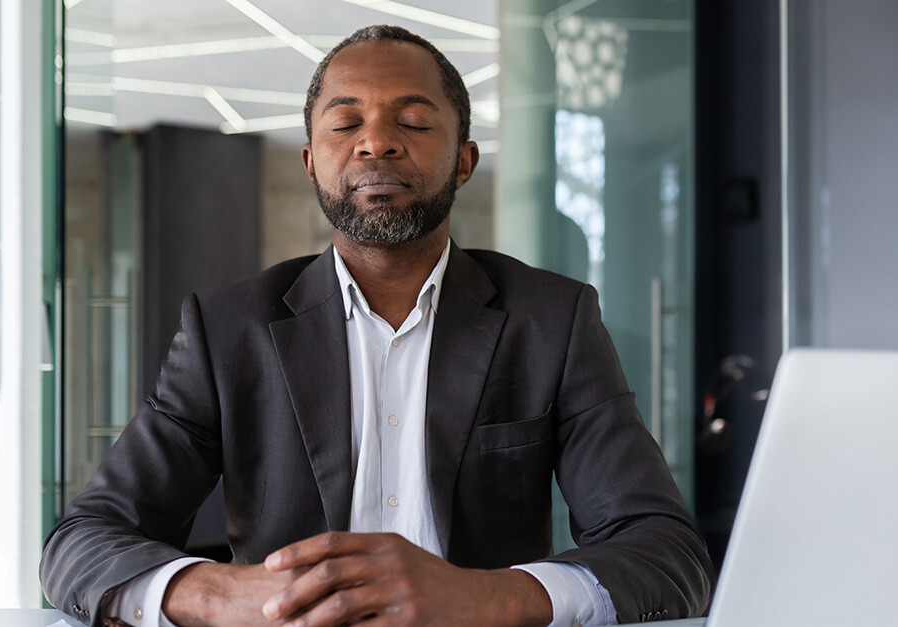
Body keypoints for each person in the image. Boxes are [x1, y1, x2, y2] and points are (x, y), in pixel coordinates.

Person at [40, 24, 712, 627]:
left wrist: (481, 598)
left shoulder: (551, 319)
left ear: (464, 161)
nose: (376, 140)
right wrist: (223, 595)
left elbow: (666, 552)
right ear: (311, 163)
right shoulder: (227, 329)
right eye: (345, 122)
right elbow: (82, 543)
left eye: (414, 122)